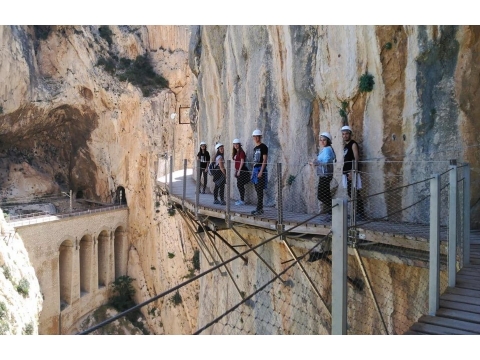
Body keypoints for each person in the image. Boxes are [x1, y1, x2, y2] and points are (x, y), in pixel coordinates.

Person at [341, 125, 365, 218]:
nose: (345, 136)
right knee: (350, 192)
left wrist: (352, 171)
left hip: (351, 172)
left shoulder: (353, 144)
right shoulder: (346, 146)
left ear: (350, 134)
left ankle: (360, 213)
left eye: (346, 134)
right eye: (343, 134)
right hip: (346, 172)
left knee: (354, 192)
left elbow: (356, 158)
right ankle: (357, 213)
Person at [310, 132, 336, 215]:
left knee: (322, 195)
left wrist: (315, 162)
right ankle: (332, 212)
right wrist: (315, 162)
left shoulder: (328, 149)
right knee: (326, 194)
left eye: (324, 140)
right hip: (323, 174)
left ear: (328, 140)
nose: (322, 141)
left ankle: (334, 210)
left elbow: (326, 161)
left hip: (326, 175)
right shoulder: (325, 149)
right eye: (320, 140)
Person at [251, 129, 268, 215]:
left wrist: (261, 171)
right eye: (255, 136)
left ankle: (259, 208)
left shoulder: (263, 147)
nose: (256, 138)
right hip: (255, 169)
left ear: (260, 137)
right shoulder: (255, 148)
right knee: (257, 189)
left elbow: (265, 160)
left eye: (258, 136)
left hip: (261, 169)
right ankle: (259, 208)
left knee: (260, 189)